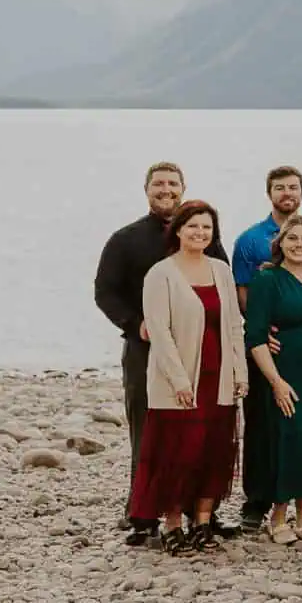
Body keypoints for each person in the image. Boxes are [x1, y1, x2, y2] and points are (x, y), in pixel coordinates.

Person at [95, 161, 229, 544]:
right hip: (146, 349)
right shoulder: (125, 240)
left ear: (183, 188)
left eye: (173, 183)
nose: (165, 189)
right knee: (150, 431)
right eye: (159, 184)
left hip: (200, 350)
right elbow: (105, 291)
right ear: (147, 190)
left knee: (200, 431)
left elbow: (221, 289)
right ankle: (142, 514)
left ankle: (199, 512)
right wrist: (134, 323)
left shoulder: (204, 236)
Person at [131, 200, 246, 556]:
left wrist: (240, 371)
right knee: (176, 453)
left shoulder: (221, 271)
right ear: (178, 229)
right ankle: (172, 525)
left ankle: (203, 521)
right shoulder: (161, 274)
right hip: (177, 382)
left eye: (206, 227)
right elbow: (159, 332)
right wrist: (179, 380)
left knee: (214, 450)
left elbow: (233, 325)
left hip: (218, 379)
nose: (200, 232)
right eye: (193, 226)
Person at [231, 165, 302, 532]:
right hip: (281, 363)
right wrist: (273, 371)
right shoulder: (258, 261)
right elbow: (249, 314)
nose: (299, 244)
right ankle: (269, 510)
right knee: (281, 438)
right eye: (292, 239)